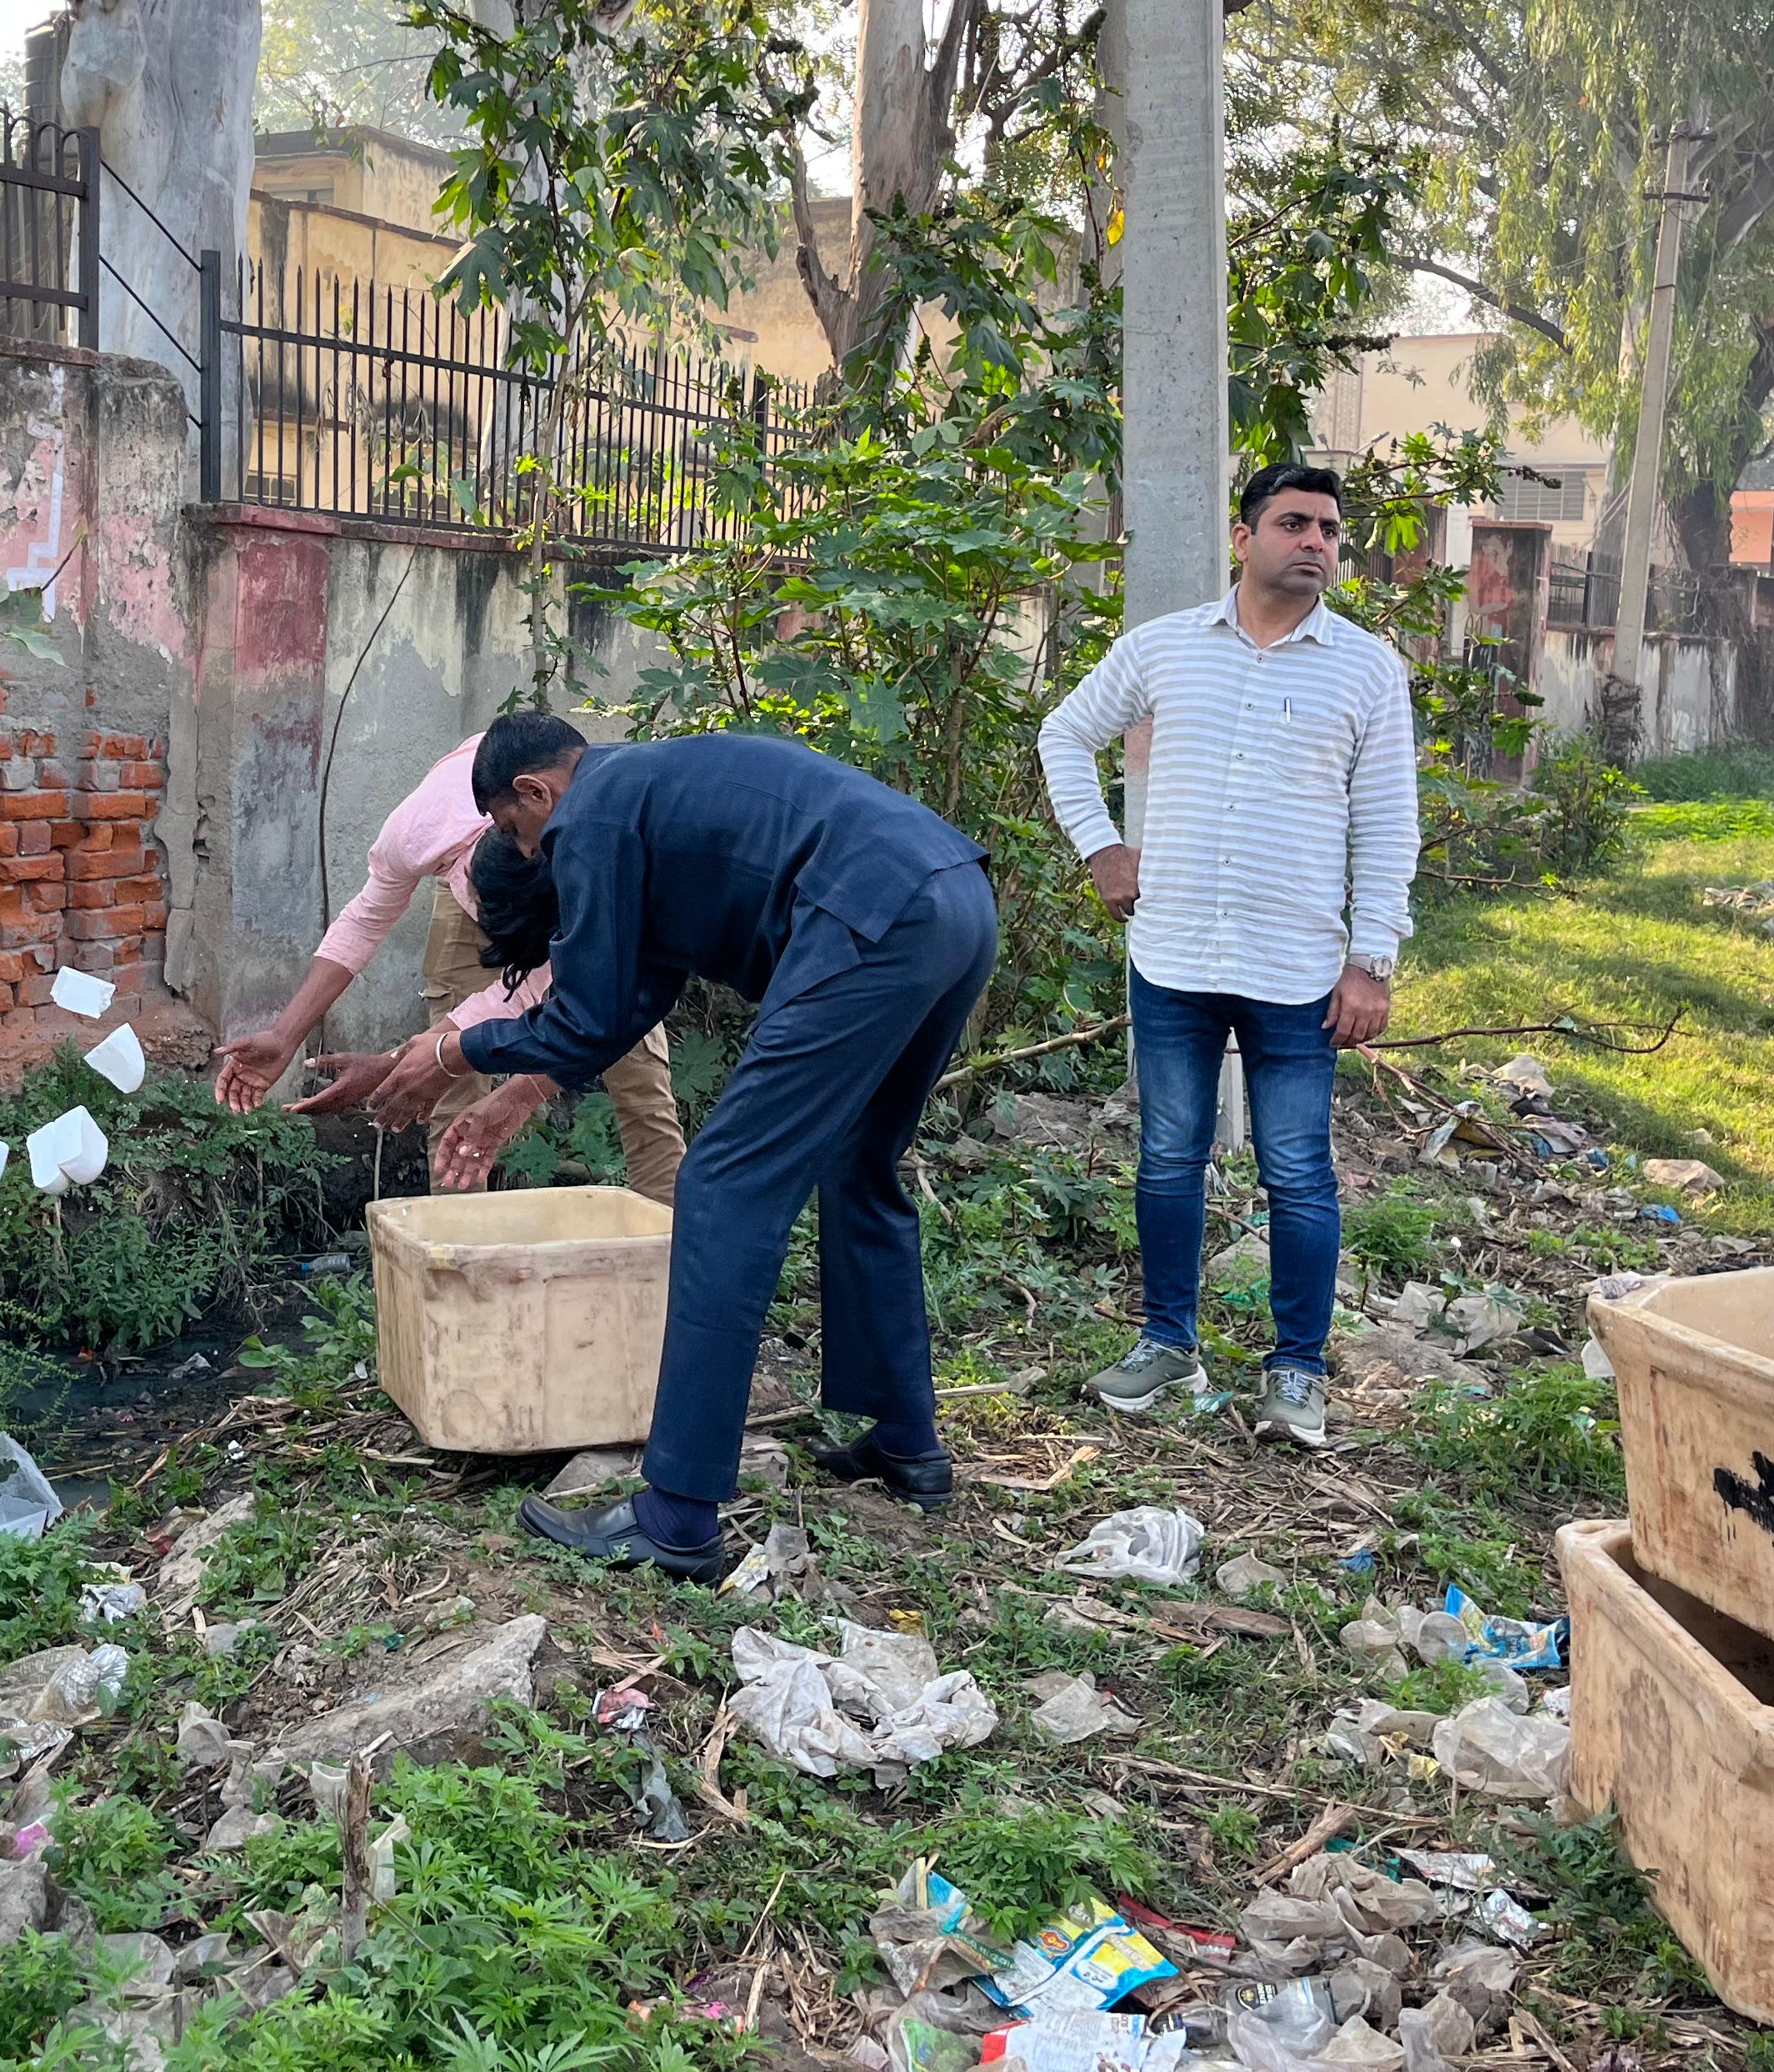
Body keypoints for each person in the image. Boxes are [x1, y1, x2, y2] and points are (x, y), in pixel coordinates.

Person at [313, 712, 996, 1579]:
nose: (527, 850)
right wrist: (473, 1054)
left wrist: (458, 1048)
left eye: (515, 832)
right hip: (952, 896)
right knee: (858, 1167)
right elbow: (624, 1009)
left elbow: (587, 1018)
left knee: (721, 1188)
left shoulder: (590, 813)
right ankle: (907, 1442)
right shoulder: (652, 801)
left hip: (868, 919)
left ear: (536, 792)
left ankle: (676, 1517)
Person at [1034, 460, 1419, 1449]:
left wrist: (1369, 959)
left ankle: (1296, 1372)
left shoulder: (1367, 669)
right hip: (1173, 956)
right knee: (1168, 1157)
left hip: (1298, 967)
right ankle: (1169, 1343)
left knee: (1297, 1170)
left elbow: (1385, 823)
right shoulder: (1165, 650)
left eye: (1331, 531)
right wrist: (1102, 845)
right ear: (1243, 540)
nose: (1317, 544)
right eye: (1295, 524)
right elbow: (1064, 733)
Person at [210, 730, 685, 1205]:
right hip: (492, 871)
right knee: (449, 1086)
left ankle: (669, 1248)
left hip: (577, 883)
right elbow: (364, 921)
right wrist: (285, 1036)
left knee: (638, 1072)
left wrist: (513, 1097)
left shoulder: (606, 854)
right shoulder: (417, 834)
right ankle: (453, 1258)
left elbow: (580, 1021)